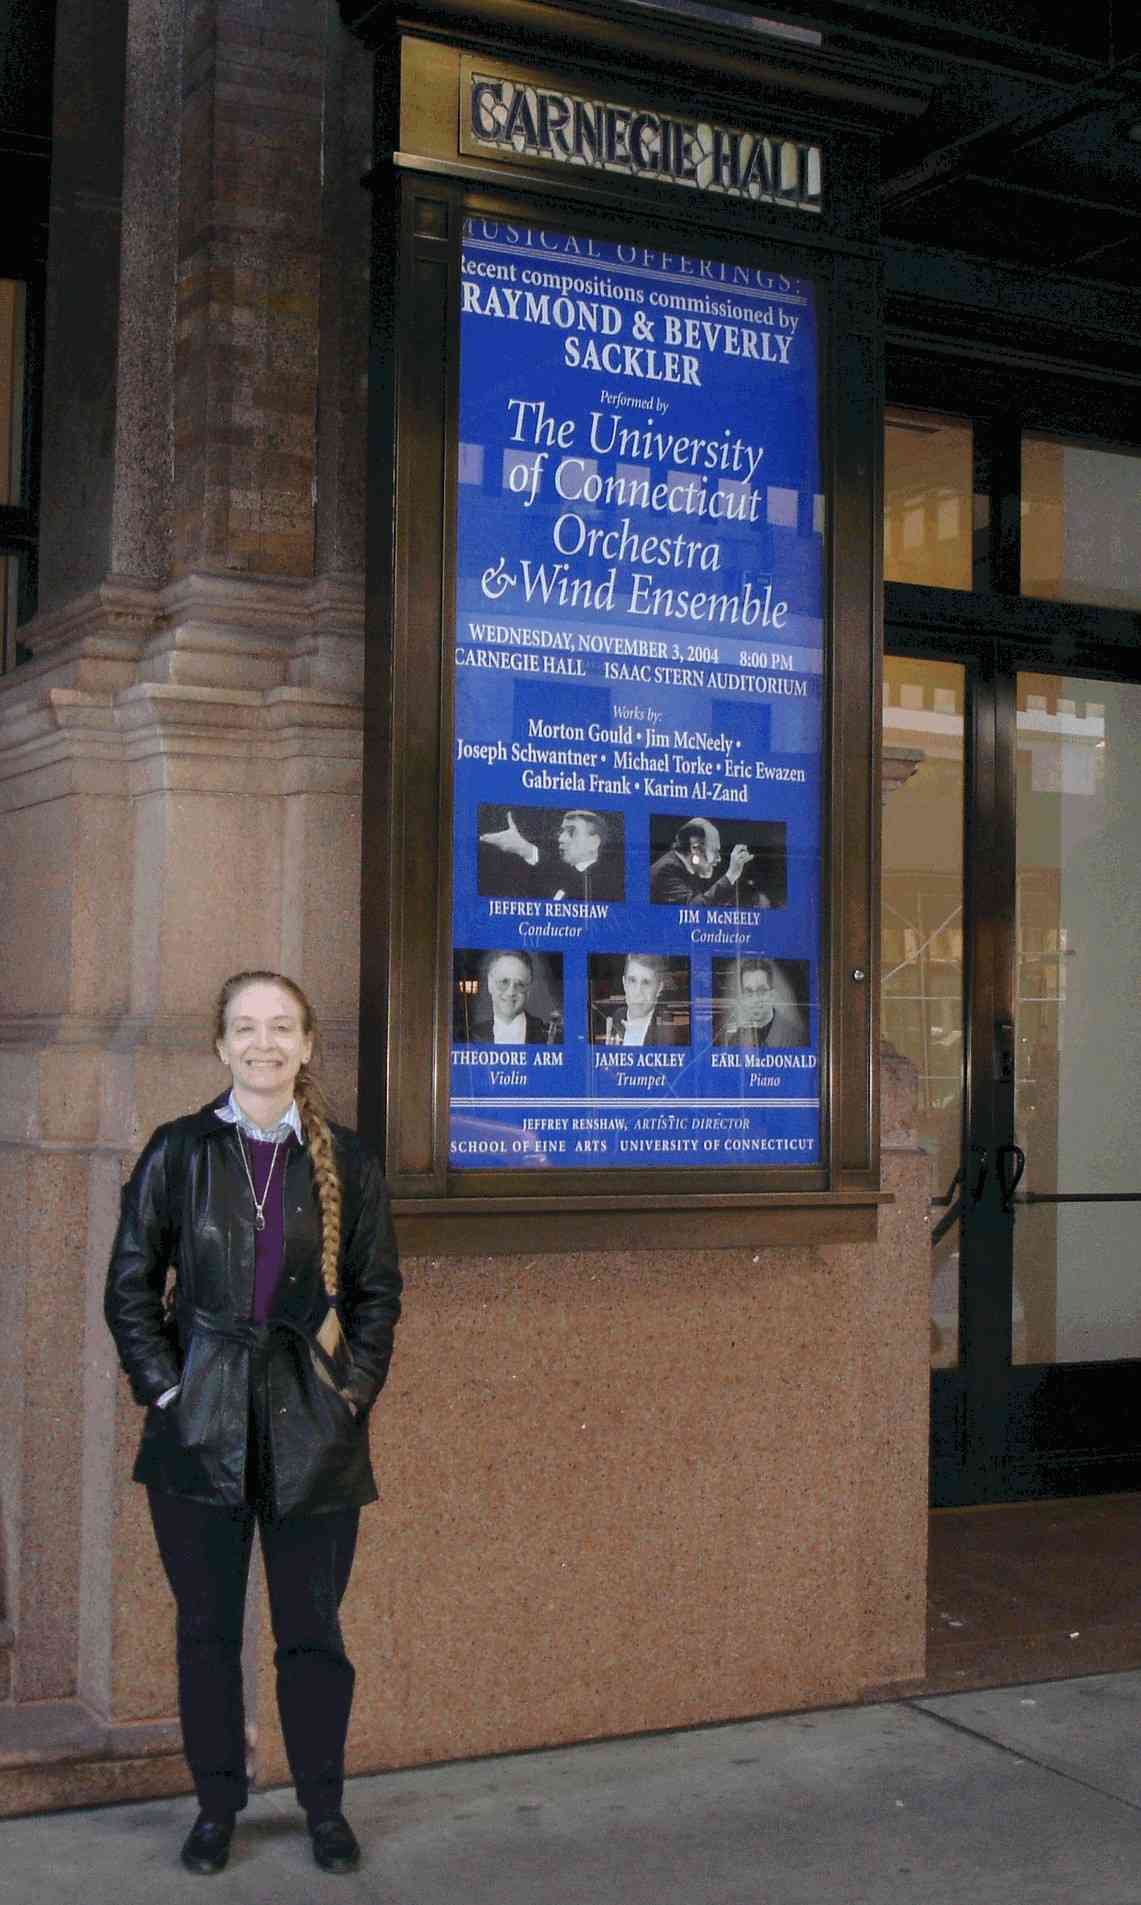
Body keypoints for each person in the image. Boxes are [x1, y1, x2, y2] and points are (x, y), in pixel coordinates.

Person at [104, 971, 402, 1878]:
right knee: (205, 1633)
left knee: (312, 1634)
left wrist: (349, 1390)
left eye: (280, 1027)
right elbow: (129, 1288)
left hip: (313, 1431)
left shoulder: (347, 1160)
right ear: (220, 1044)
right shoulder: (178, 1151)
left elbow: (376, 1294)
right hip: (198, 1433)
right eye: (244, 1027)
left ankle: (323, 1806)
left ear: (308, 1045)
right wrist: (167, 1390)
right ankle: (216, 1805)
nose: (262, 1043)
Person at [478, 807, 624, 901]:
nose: (561, 839)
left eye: (571, 832)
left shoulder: (609, 881)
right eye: (561, 832)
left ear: (594, 843)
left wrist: (524, 848)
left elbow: (577, 884)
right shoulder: (550, 879)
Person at [649, 817, 770, 907]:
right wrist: (731, 874)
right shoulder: (665, 870)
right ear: (695, 848)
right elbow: (693, 910)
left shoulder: (686, 869)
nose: (719, 858)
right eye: (715, 851)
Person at [465, 948, 558, 1043]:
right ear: (490, 984)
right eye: (504, 982)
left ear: (528, 989)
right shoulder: (470, 1036)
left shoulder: (549, 1036)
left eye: (519, 984)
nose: (511, 992)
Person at [593, 953, 687, 1046]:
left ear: (659, 988)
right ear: (624, 983)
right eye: (632, 980)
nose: (637, 992)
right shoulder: (617, 1016)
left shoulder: (669, 1028)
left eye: (646, 982)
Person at [717, 958, 808, 1047]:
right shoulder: (735, 1041)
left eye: (762, 991)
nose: (755, 1000)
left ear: (772, 995)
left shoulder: (795, 1037)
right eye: (749, 992)